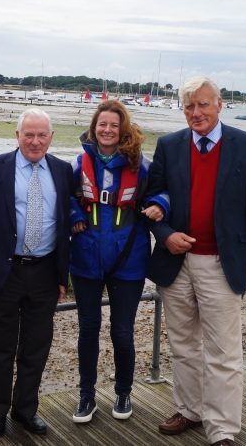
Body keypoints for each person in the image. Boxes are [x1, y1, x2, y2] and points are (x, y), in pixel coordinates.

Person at [145, 76, 246, 446]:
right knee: (183, 345)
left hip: (221, 262)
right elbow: (153, 200)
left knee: (224, 352)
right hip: (176, 263)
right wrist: (165, 234)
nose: (196, 113)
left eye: (202, 104)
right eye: (189, 106)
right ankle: (190, 410)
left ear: (219, 104)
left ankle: (223, 429)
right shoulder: (169, 145)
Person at [0, 108, 72, 438]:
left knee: (36, 347)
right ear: (17, 136)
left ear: (51, 138)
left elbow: (65, 226)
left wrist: (61, 277)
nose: (36, 141)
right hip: (3, 273)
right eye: (29, 134)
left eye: (42, 135)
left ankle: (25, 410)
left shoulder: (63, 171)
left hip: (44, 272)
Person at [68, 99, 169, 423]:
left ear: (122, 129)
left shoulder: (143, 165)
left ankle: (123, 392)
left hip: (129, 260)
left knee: (123, 332)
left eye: (114, 125)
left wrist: (159, 205)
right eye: (102, 124)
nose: (107, 130)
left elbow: (166, 191)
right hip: (86, 259)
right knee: (88, 329)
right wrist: (73, 215)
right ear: (94, 129)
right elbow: (66, 195)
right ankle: (87, 397)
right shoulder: (77, 163)